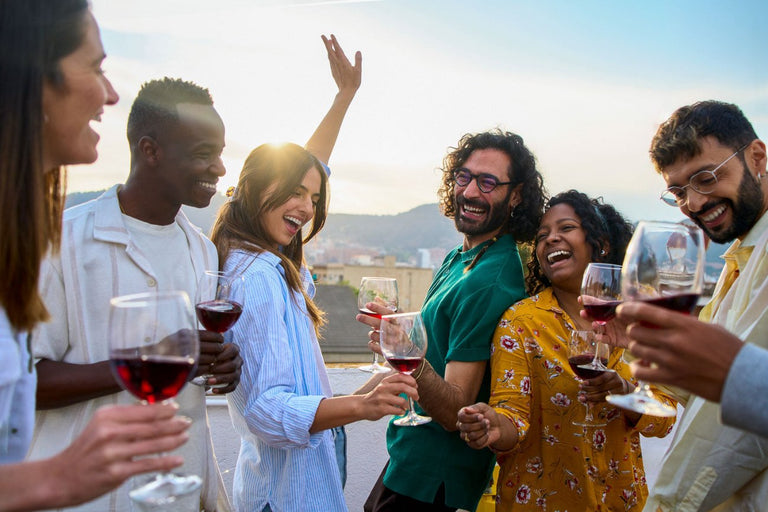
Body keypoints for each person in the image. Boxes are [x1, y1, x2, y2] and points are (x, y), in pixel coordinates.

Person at [28, 33, 362, 511]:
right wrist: (152, 363)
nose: (220, 167)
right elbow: (22, 381)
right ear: (151, 150)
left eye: (222, 150)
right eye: (204, 152)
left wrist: (219, 365)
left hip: (182, 494)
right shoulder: (60, 241)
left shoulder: (204, 255)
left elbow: (302, 176)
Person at [0, 1, 191, 510]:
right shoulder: (60, 239)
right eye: (97, 67)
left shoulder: (15, 238)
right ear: (33, 78)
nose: (110, 93)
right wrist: (52, 479)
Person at [211, 142, 418, 512]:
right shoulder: (258, 276)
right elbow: (267, 410)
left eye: (314, 197)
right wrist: (361, 407)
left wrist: (377, 386)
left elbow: (300, 398)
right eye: (295, 192)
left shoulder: (266, 268)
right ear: (253, 188)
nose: (307, 208)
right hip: (284, 499)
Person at [358, 130, 548, 512]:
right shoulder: (459, 257)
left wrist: (404, 349)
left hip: (435, 477)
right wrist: (398, 331)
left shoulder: (491, 279)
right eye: (464, 177)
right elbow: (440, 345)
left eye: (488, 182)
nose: (472, 192)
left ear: (516, 195)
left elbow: (455, 410)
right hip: (411, 459)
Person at [456, 190, 676, 510]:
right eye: (542, 235)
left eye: (566, 228)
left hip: (621, 502)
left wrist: (626, 391)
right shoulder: (521, 323)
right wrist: (490, 425)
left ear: (599, 242)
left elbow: (664, 417)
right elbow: (512, 419)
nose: (551, 239)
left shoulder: (638, 318)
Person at [613, 100, 768, 511]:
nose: (694, 203)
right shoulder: (739, 258)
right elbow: (711, 390)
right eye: (679, 191)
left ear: (757, 157)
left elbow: (736, 403)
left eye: (706, 177)